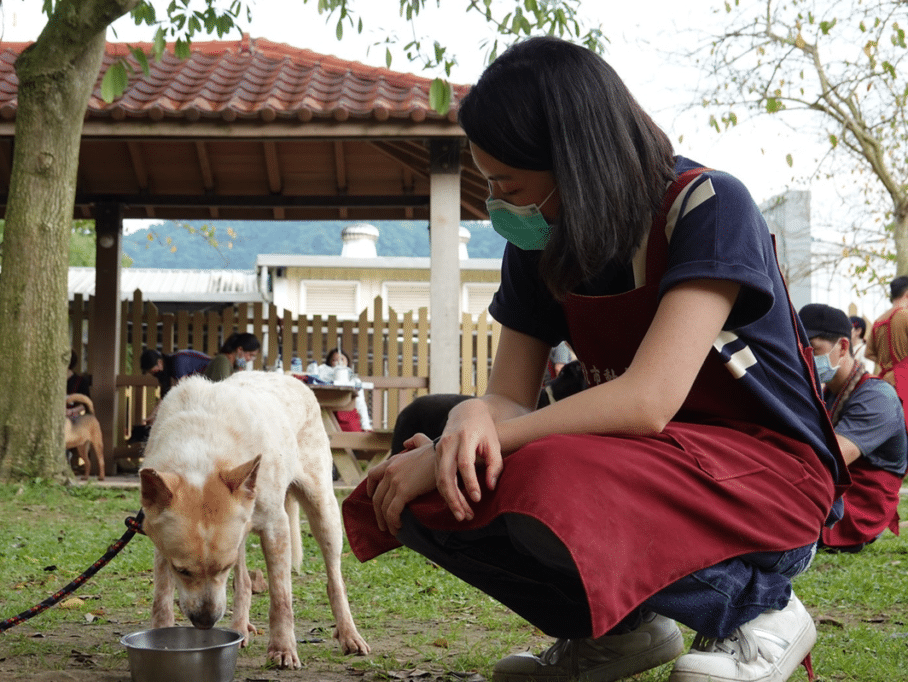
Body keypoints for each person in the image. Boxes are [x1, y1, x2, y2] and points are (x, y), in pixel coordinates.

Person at [341, 37, 847, 682]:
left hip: (765, 475)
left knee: (535, 468)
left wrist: (472, 441)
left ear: (574, 162)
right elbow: (509, 394)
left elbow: (646, 400)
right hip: (644, 463)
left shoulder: (707, 207)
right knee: (428, 460)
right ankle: (618, 633)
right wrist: (468, 420)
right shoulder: (539, 240)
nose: (497, 201)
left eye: (508, 182)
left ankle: (759, 609)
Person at [799, 304, 907, 553]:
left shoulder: (878, 397)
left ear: (844, 346)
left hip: (860, 507)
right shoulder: (825, 394)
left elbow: (825, 461)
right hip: (829, 491)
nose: (806, 360)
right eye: (800, 351)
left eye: (813, 350)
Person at [866, 277, 908, 413]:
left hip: (885, 383)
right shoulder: (905, 315)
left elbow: (869, 353)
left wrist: (888, 364)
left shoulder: (878, 320)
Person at [325, 348, 371, 431]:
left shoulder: (354, 381)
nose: (339, 362)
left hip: (350, 417)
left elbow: (360, 404)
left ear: (347, 362)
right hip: (331, 417)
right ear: (329, 364)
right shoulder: (325, 380)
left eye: (342, 359)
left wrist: (366, 425)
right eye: (334, 360)